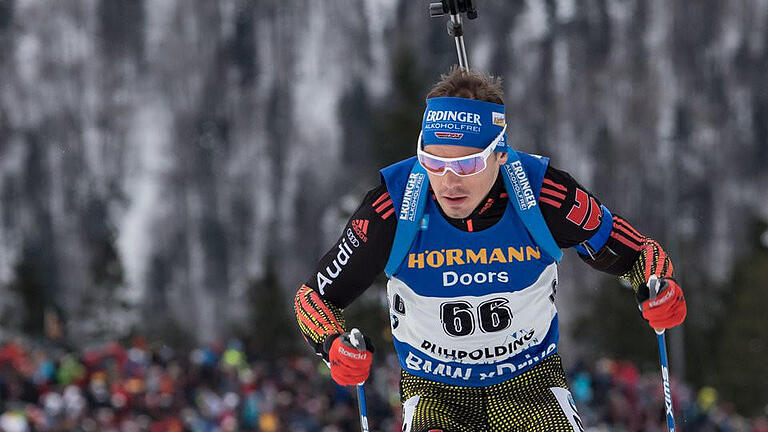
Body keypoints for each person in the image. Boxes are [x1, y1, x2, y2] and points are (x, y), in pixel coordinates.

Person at [294, 67, 687, 432]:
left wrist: (660, 288)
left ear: (501, 154)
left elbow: (636, 253)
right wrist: (334, 346)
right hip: (436, 391)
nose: (448, 182)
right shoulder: (393, 207)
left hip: (531, 385)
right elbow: (313, 298)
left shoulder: (542, 194)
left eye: (467, 165)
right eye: (433, 161)